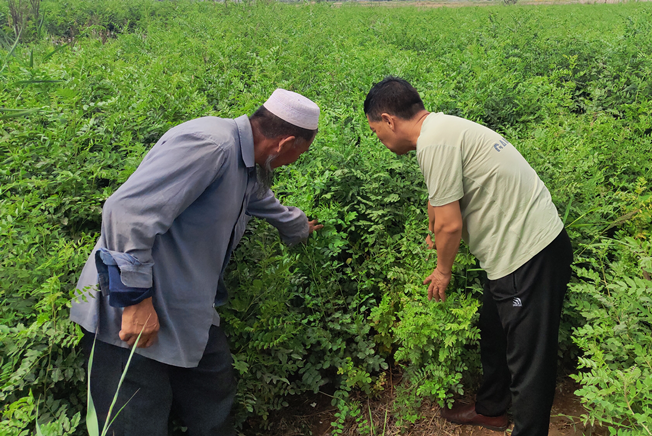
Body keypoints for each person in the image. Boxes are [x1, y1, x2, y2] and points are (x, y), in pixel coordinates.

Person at [70, 88, 324, 436]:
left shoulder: (248, 162)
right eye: (300, 154)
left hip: (188, 309)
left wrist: (299, 228)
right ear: (285, 143)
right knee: (133, 421)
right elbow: (126, 212)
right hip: (131, 312)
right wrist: (135, 301)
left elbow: (263, 201)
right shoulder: (211, 146)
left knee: (213, 397)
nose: (293, 162)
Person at [364, 77, 573, 436]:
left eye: (376, 132)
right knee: (493, 331)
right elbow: (443, 199)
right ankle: (492, 409)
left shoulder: (434, 143)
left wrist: (442, 270)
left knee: (529, 361)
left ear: (389, 120)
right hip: (512, 253)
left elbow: (450, 225)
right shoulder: (442, 130)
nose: (380, 140)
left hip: (528, 254)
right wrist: (435, 224)